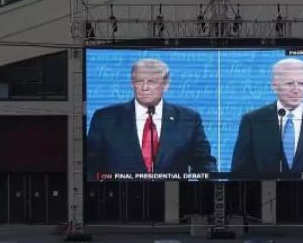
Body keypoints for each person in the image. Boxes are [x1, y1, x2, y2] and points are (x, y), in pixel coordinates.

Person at [86, 58, 216, 179]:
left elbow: (204, 164)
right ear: (132, 84)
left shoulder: (189, 119)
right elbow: (90, 168)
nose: (144, 87)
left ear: (165, 84)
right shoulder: (104, 118)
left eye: (151, 82)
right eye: (138, 81)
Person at [230, 58, 303, 176]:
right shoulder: (253, 121)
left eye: (301, 83)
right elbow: (239, 174)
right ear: (274, 86)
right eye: (289, 83)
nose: (296, 90)